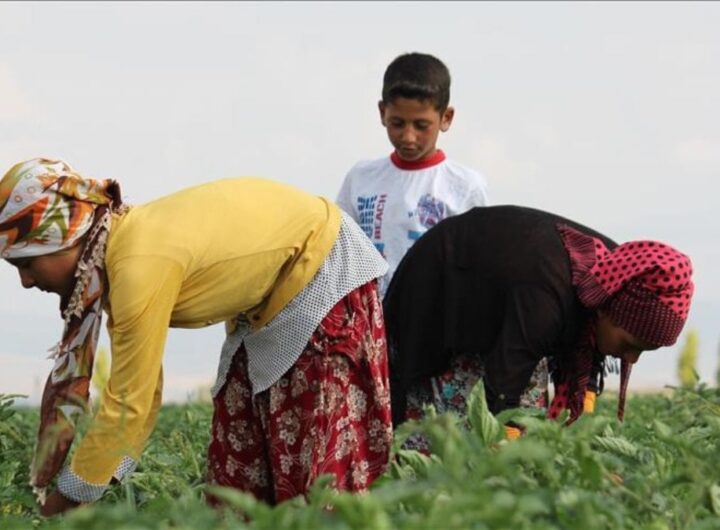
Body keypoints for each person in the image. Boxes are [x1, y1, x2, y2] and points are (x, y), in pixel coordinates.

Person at [0, 158, 393, 515]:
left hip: (322, 270)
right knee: (239, 459)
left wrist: (63, 504)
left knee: (315, 467)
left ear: (65, 238)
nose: (26, 281)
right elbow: (141, 392)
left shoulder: (136, 266)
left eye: (27, 262)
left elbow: (130, 402)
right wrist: (92, 485)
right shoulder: (121, 254)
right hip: (267, 298)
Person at [383, 205, 694, 434]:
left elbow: (586, 364)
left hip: (503, 306)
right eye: (630, 345)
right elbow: (504, 385)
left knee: (528, 423)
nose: (631, 358)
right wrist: (504, 451)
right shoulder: (548, 296)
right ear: (607, 311)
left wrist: (582, 436)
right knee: (441, 432)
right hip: (441, 288)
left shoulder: (614, 277)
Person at [336, 52, 489, 299]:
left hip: (433, 315)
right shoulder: (361, 178)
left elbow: (477, 266)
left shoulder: (464, 186)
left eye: (421, 125)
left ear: (446, 118)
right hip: (371, 316)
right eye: (398, 123)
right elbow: (340, 254)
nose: (408, 136)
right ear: (382, 112)